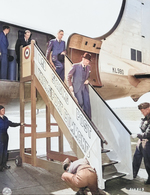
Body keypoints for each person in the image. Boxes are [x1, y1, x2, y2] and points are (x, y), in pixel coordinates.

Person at [68, 53, 91, 119]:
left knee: (87, 104)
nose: (88, 62)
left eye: (88, 61)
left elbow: (89, 77)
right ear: (83, 59)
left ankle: (88, 120)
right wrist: (70, 85)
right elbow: (69, 76)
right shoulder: (75, 66)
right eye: (87, 61)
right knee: (80, 103)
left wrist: (88, 80)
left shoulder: (88, 67)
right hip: (77, 87)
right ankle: (80, 118)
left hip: (85, 88)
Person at [0, 105, 23, 171]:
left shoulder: (5, 118)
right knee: (0, 151)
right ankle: (0, 166)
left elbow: (11, 124)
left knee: (5, 150)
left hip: (5, 135)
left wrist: (20, 124)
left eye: (4, 110)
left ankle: (4, 164)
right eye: (2, 110)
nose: (4, 111)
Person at [132, 102, 150, 184]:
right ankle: (133, 174)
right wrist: (140, 139)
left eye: (143, 111)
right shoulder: (146, 118)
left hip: (148, 143)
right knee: (136, 158)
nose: (142, 113)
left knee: (148, 162)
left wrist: (138, 135)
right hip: (143, 141)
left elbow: (148, 134)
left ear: (148, 108)